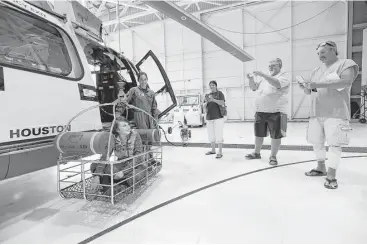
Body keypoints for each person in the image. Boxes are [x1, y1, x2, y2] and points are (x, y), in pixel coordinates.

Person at [297, 41, 359, 189]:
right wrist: (305, 87)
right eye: (318, 53)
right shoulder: (316, 70)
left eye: (323, 52)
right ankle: (320, 168)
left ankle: (331, 176)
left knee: (335, 144)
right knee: (316, 142)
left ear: (333, 50)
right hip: (316, 112)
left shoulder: (346, 64)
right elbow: (310, 91)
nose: (320, 55)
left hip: (336, 112)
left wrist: (317, 85)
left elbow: (345, 82)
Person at [245, 58, 290, 165]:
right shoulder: (264, 79)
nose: (270, 67)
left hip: (277, 112)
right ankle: (257, 153)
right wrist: (251, 79)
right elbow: (254, 88)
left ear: (279, 66)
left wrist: (263, 75)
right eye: (269, 65)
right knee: (258, 134)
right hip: (260, 112)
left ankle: (273, 156)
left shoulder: (283, 77)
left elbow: (277, 84)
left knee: (276, 135)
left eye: (273, 65)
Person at [90, 117, 147, 194]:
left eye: (128, 125)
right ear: (117, 130)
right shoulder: (112, 138)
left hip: (136, 166)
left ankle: (117, 185)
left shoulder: (135, 135)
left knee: (135, 176)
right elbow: (105, 156)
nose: (128, 127)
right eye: (124, 126)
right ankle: (110, 186)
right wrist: (97, 175)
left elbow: (138, 157)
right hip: (120, 165)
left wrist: (124, 172)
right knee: (94, 165)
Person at [203, 80, 226, 159]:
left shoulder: (220, 94)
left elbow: (222, 103)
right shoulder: (207, 95)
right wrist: (205, 103)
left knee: (219, 134)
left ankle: (220, 152)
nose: (211, 86)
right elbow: (204, 106)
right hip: (209, 117)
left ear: (216, 86)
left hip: (218, 117)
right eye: (210, 85)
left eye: (213, 85)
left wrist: (213, 100)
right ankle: (213, 150)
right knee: (211, 135)